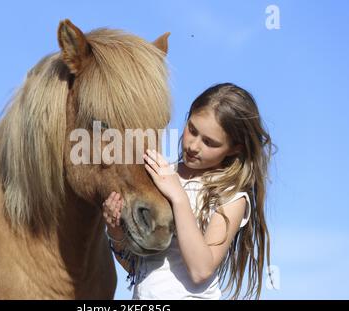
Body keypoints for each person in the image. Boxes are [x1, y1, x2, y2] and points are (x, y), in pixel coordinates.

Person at [103, 83, 276, 299]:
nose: (193, 146)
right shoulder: (162, 175)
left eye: (209, 142)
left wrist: (178, 198)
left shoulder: (231, 197)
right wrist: (115, 232)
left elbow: (200, 271)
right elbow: (138, 270)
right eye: (192, 130)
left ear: (235, 148)